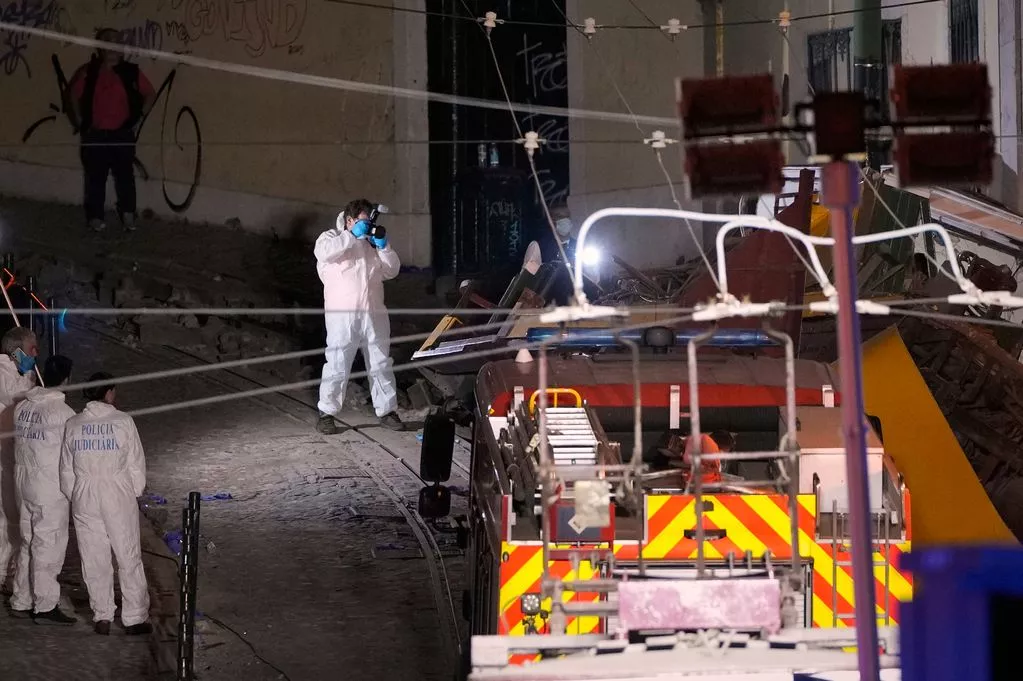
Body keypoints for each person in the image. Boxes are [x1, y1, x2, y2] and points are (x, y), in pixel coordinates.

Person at [60, 373, 151, 635]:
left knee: (93, 555)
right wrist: (134, 491)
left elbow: (66, 469)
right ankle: (134, 616)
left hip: (85, 494)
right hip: (116, 491)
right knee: (128, 554)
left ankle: (102, 614)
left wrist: (74, 494)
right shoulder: (123, 421)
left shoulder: (73, 423)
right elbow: (136, 463)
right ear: (109, 393)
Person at [315, 198, 404, 434]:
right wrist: (351, 236)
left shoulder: (370, 245)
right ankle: (326, 413)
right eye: (362, 223)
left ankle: (387, 411)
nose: (366, 228)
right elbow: (323, 254)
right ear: (350, 221)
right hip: (342, 316)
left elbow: (392, 270)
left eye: (368, 223)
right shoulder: (331, 238)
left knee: (381, 363)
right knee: (337, 363)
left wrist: (383, 246)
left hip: (374, 314)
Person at [68, 28, 156, 233]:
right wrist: (80, 121)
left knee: (125, 176)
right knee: (95, 178)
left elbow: (150, 93)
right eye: (108, 42)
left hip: (121, 133)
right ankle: (95, 217)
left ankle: (127, 214)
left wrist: (139, 117)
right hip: (95, 134)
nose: (113, 46)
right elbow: (73, 94)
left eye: (117, 42)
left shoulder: (131, 72)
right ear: (101, 48)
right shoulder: (89, 71)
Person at [10, 356, 77, 624]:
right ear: (67, 379)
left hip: (22, 482)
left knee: (27, 542)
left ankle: (22, 598)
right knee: (48, 545)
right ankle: (46, 605)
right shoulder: (64, 414)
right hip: (48, 488)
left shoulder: (23, 407)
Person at [0, 327, 38, 595]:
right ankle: (3, 572)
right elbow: (17, 398)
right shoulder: (4, 375)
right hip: (3, 455)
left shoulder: (16, 372)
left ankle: (7, 570)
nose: (35, 354)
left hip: (9, 453)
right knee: (7, 516)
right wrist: (29, 377)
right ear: (16, 352)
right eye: (32, 349)